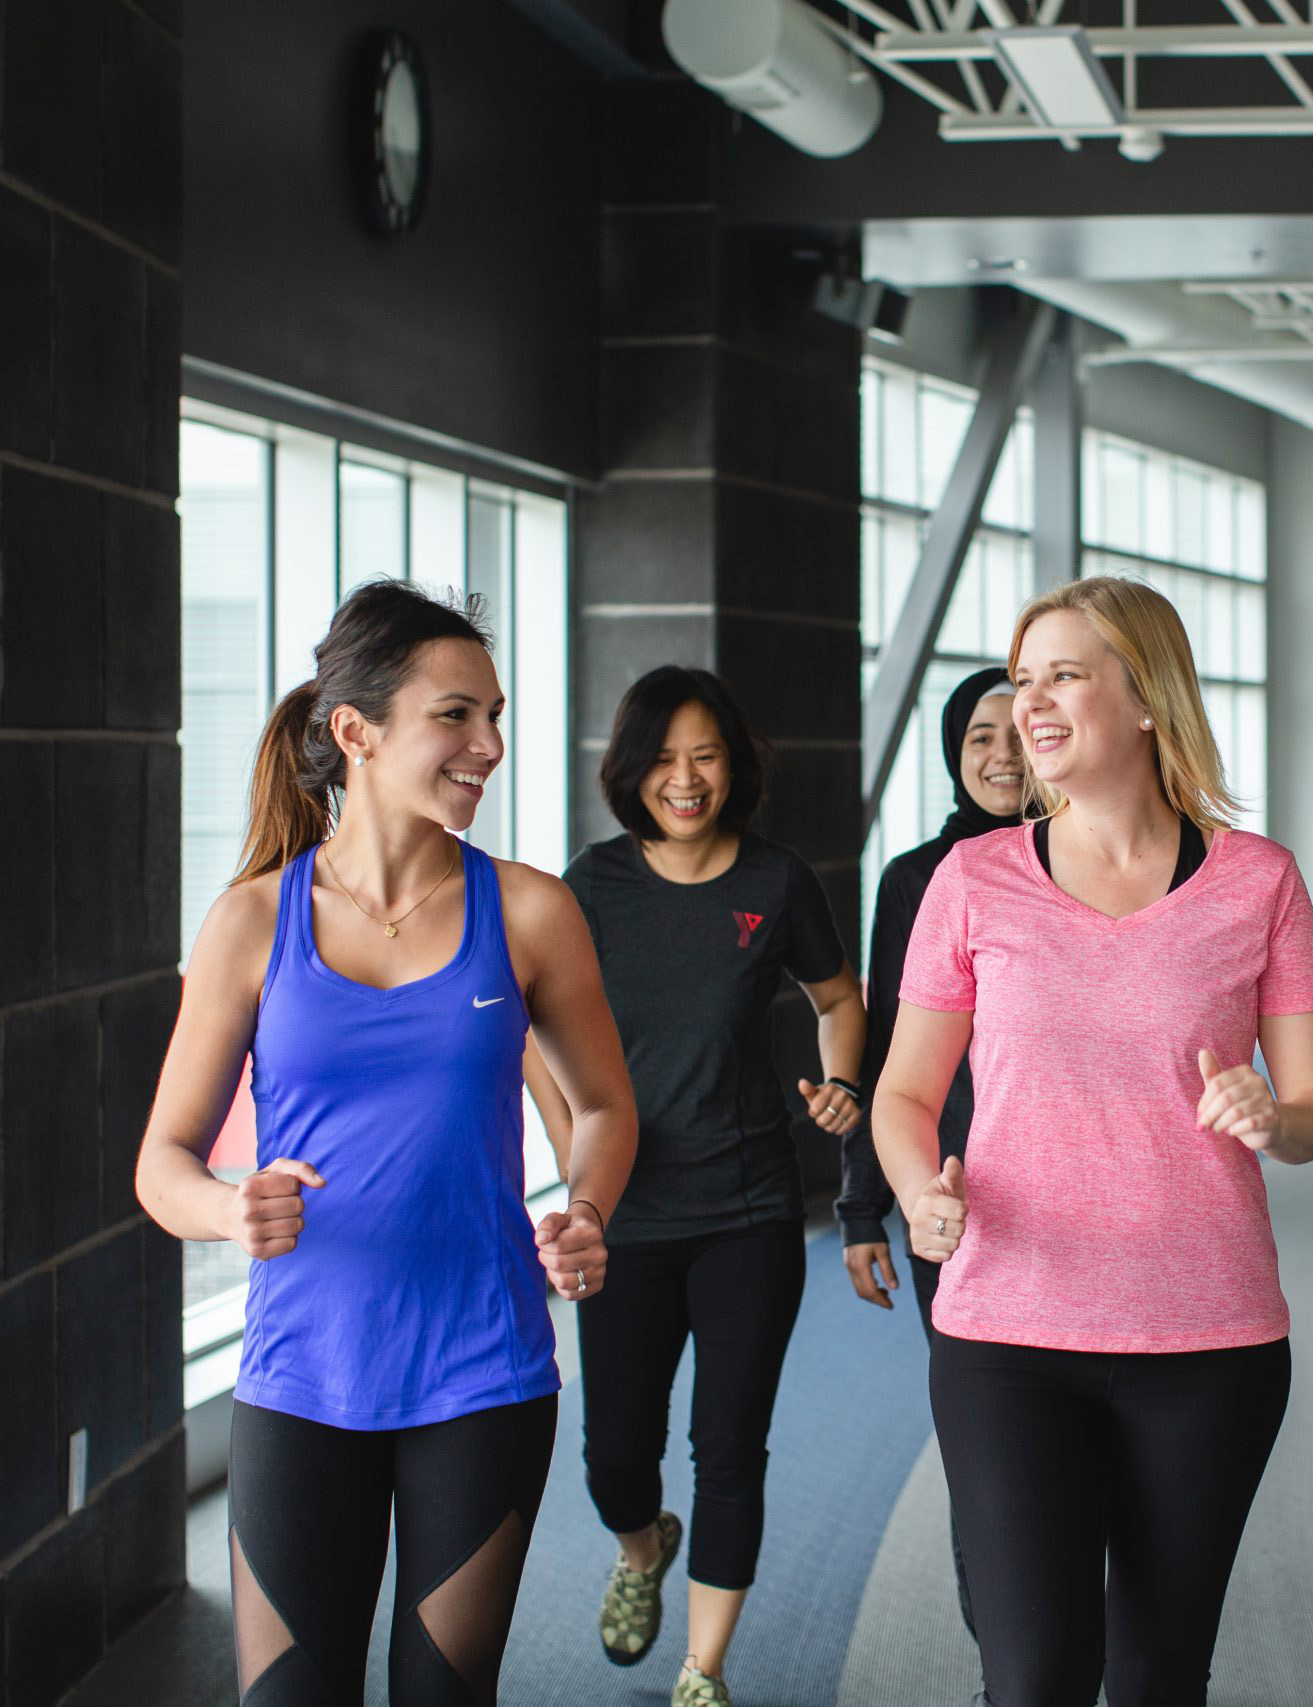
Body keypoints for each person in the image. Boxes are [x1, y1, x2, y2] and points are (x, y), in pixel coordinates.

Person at [135, 580, 637, 1705]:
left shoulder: (529, 912)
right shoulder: (254, 922)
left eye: (494, 714)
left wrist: (589, 1210)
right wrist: (229, 1207)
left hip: (484, 1375)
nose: (490, 745)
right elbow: (161, 1159)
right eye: (455, 716)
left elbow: (603, 1106)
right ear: (356, 733)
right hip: (300, 1379)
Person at [874, 576, 1313, 1707]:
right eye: (1022, 678)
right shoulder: (971, 881)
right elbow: (903, 1093)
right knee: (1035, 1674)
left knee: (1157, 1676)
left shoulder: (1259, 883)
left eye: (1065, 676)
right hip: (1007, 1333)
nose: (1031, 704)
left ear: (1145, 698)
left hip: (1209, 1342)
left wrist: (1273, 1116)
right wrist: (916, 1193)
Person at [525, 664, 866, 1707]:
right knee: (614, 1452)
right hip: (624, 1215)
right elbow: (531, 1033)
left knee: (729, 1443)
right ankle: (641, 1549)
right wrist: (577, 1163)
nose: (686, 778)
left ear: (736, 765)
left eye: (706, 756)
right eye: (664, 759)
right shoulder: (588, 885)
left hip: (750, 1207)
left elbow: (837, 996)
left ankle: (701, 1672)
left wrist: (843, 1078)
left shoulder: (773, 882)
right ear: (632, 771)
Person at [838, 664, 1024, 1325]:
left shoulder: (1085, 867)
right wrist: (862, 1208)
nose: (1003, 755)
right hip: (945, 1180)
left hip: (1064, 1179)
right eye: (980, 737)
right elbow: (886, 1043)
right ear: (954, 749)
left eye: (1020, 732)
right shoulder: (916, 879)